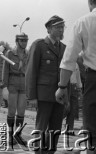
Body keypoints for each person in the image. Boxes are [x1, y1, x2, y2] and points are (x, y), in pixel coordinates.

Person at [55, 1, 96, 153]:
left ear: (90, 3)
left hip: (94, 79)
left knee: (92, 132)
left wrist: (61, 86)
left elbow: (69, 59)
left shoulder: (84, 22)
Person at [26, 15, 66, 153]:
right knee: (41, 128)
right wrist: (31, 96)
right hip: (44, 95)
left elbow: (67, 74)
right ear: (49, 29)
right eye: (58, 27)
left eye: (62, 27)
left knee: (56, 129)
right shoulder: (39, 45)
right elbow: (31, 71)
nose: (61, 30)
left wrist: (68, 97)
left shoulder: (64, 48)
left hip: (59, 96)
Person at [3, 32, 28, 146]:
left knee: (21, 111)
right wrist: (4, 86)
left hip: (24, 83)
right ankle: (10, 135)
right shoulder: (10, 53)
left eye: (25, 40)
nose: (24, 42)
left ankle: (18, 135)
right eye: (22, 40)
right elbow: (5, 70)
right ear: (17, 41)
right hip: (12, 83)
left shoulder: (28, 54)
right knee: (12, 110)